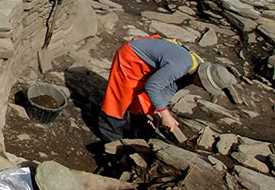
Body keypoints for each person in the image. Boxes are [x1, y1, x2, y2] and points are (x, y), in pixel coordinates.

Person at [97, 35, 235, 142]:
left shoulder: (195, 70)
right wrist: (166, 114)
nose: (201, 88)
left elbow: (170, 89)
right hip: (132, 57)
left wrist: (158, 111)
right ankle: (111, 139)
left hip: (150, 66)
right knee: (119, 100)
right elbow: (152, 86)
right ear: (201, 77)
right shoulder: (181, 66)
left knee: (147, 105)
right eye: (203, 85)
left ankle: (137, 137)